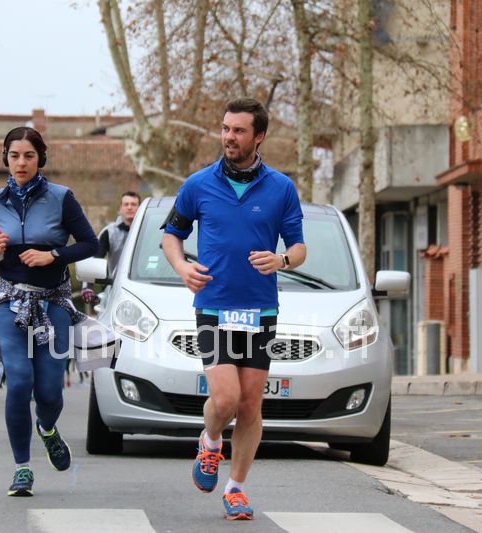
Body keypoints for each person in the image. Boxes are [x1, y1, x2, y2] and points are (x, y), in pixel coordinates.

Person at [162, 97, 306, 521]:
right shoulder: (198, 184)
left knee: (250, 404)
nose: (229, 136)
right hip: (214, 305)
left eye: (238, 130)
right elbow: (171, 235)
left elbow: (299, 248)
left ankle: (236, 489)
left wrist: (281, 260)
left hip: (260, 310)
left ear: (258, 136)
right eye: (225, 128)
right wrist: (182, 267)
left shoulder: (281, 188)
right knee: (225, 399)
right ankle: (210, 442)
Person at [0, 127, 98, 497]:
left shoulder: (61, 197)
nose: (21, 163)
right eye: (14, 156)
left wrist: (53, 255)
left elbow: (90, 244)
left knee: (49, 391)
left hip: (53, 301)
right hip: (9, 301)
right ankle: (22, 468)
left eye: (28, 155)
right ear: (6, 158)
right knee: (19, 379)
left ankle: (47, 428)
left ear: (40, 158)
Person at [80, 191, 140, 304]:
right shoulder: (109, 232)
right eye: (126, 204)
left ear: (140, 208)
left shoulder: (150, 231)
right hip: (116, 291)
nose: (129, 207)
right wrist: (87, 287)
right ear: (120, 208)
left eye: (133, 204)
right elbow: (94, 259)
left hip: (145, 287)